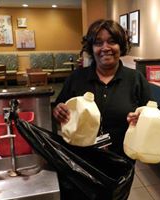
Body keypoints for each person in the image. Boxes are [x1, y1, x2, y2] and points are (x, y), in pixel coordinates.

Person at [53, 19, 151, 199]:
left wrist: (140, 118)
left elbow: (150, 114)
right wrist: (59, 111)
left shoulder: (135, 79)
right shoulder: (77, 78)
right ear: (91, 48)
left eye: (112, 41)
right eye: (98, 43)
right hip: (81, 161)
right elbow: (59, 108)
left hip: (120, 164)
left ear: (121, 46)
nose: (105, 47)